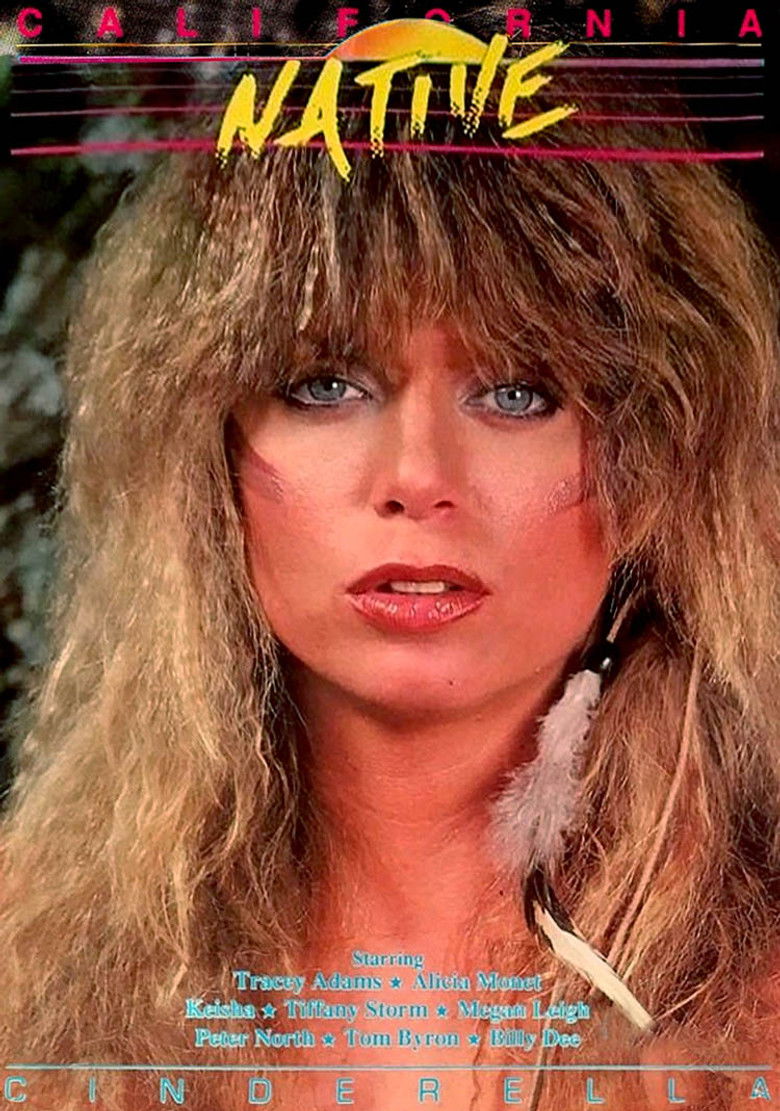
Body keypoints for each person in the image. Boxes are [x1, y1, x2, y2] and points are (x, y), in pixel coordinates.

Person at [0, 67, 779, 1111]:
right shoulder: (21, 970)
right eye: (325, 385)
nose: (417, 477)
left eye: (519, 391)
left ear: (658, 467)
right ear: (205, 454)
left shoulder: (759, 1003)